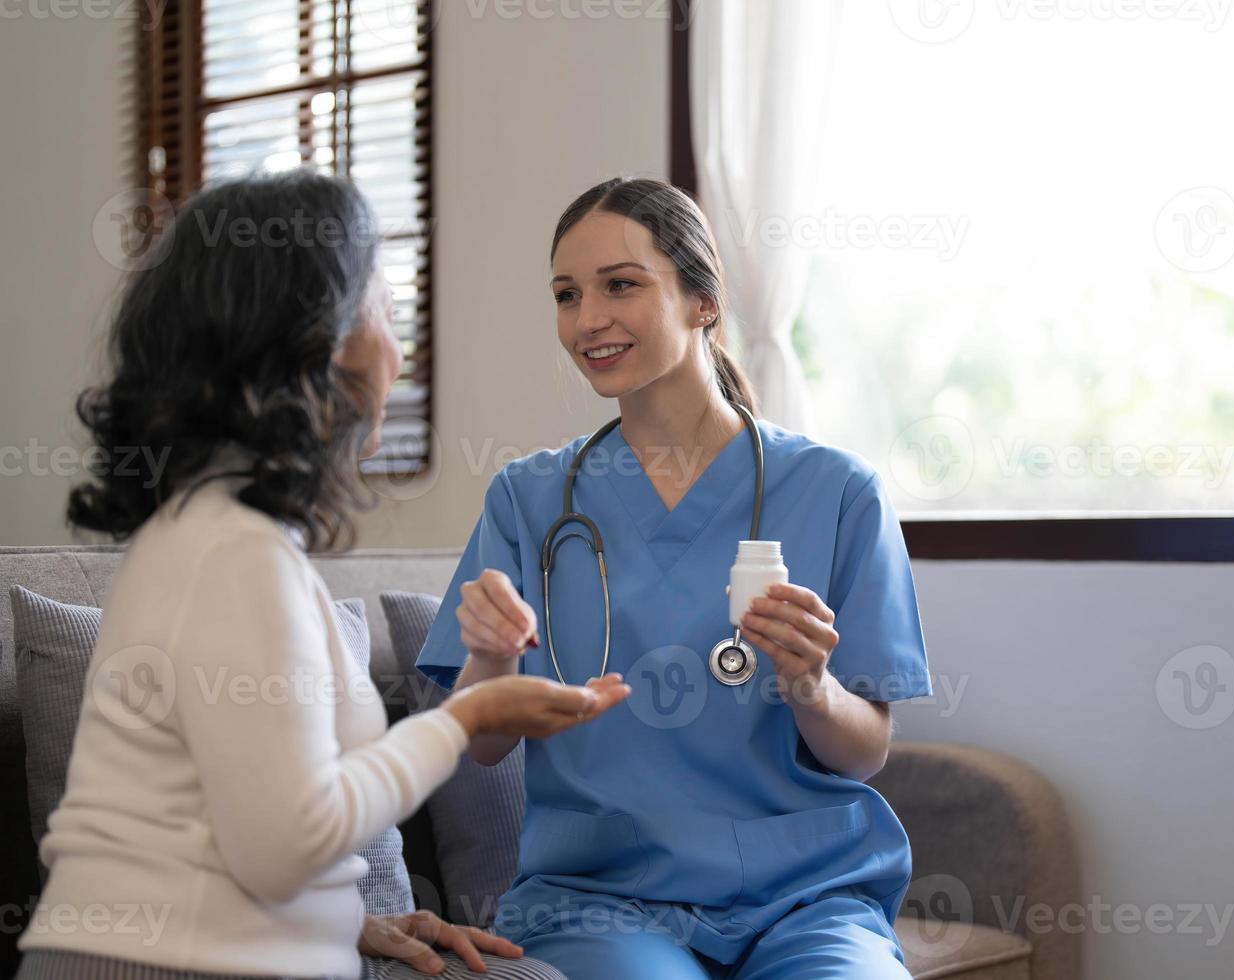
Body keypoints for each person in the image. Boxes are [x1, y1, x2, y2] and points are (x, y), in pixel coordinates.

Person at [17, 171, 630, 980]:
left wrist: (348, 918)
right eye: (379, 310)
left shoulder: (211, 534)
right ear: (313, 343)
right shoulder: (232, 554)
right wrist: (464, 717)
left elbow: (238, 821)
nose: (399, 348)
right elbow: (284, 845)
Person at [415, 178, 934, 978]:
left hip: (808, 892)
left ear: (702, 301)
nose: (587, 320)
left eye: (620, 285)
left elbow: (863, 754)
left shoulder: (837, 492)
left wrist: (809, 684)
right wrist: (487, 660)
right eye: (566, 294)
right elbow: (482, 746)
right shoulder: (528, 498)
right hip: (596, 896)